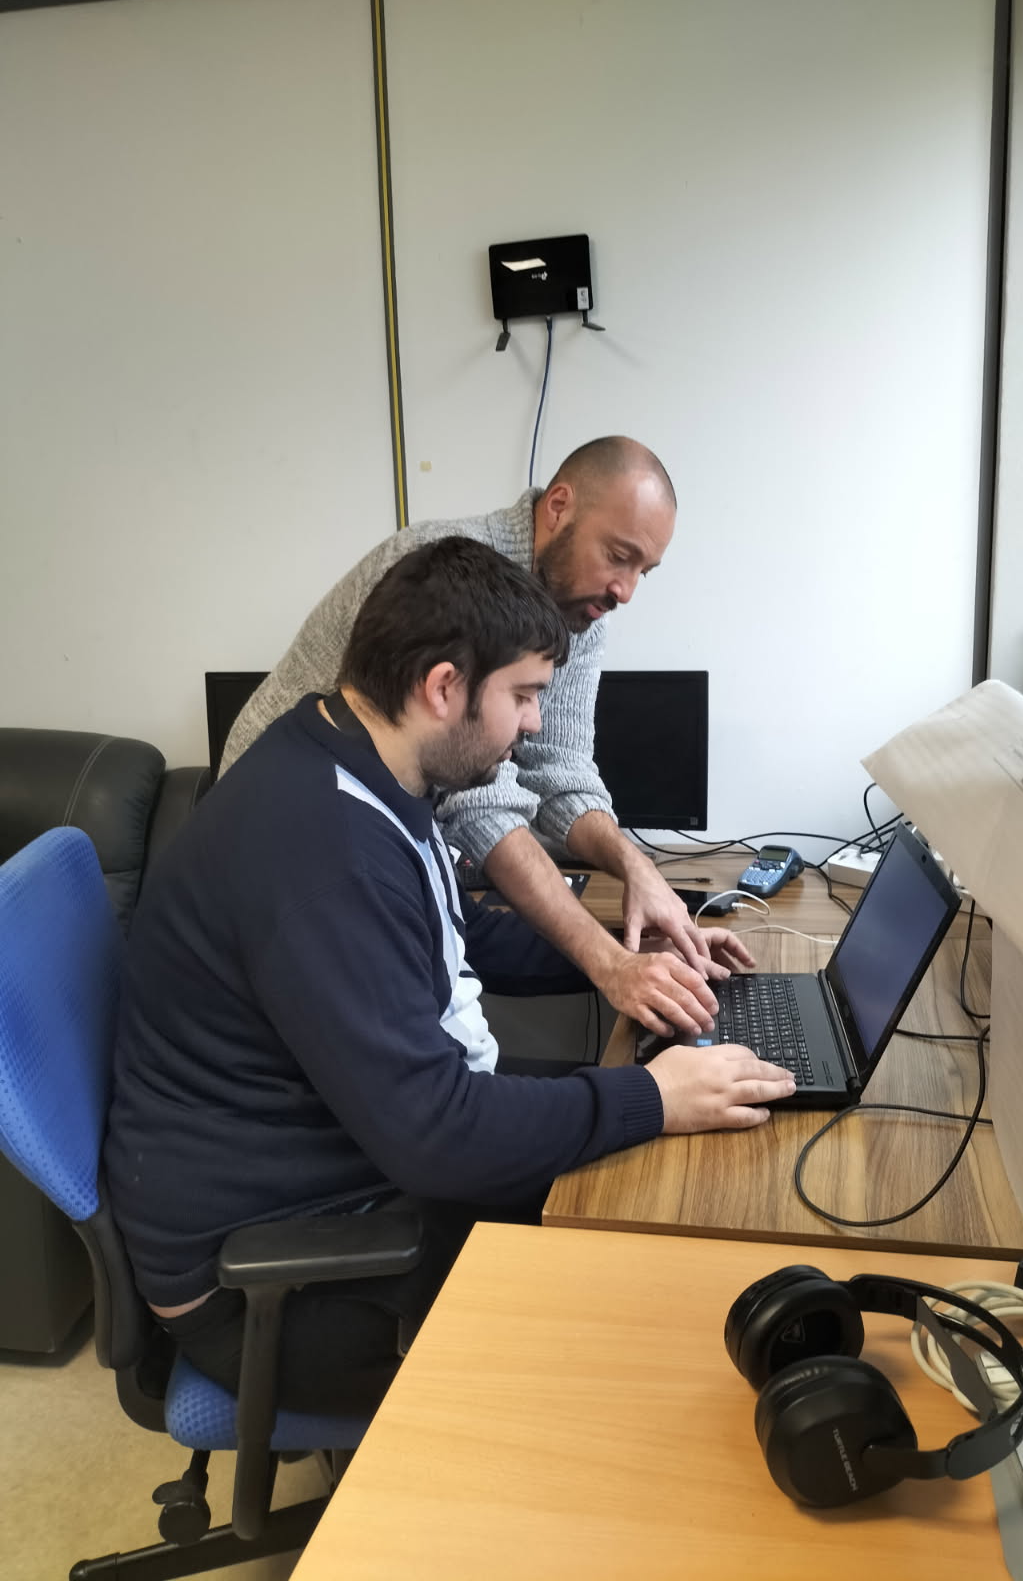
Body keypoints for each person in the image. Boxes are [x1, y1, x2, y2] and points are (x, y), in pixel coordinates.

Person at [104, 536, 795, 1417]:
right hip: (276, 1281)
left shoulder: (345, 754)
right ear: (442, 688)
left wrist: (628, 964)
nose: (534, 725)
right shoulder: (321, 849)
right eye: (524, 696)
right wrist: (653, 1099)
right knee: (637, 1323)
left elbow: (444, 935)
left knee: (654, 1175)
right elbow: (436, 1133)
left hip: (350, 1163)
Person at [219, 436, 721, 1044]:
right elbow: (477, 800)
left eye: (644, 571)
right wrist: (610, 965)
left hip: (378, 831)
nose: (626, 590)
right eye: (619, 556)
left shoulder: (578, 609)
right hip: (286, 834)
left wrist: (635, 869)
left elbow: (559, 766)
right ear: (558, 507)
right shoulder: (444, 572)